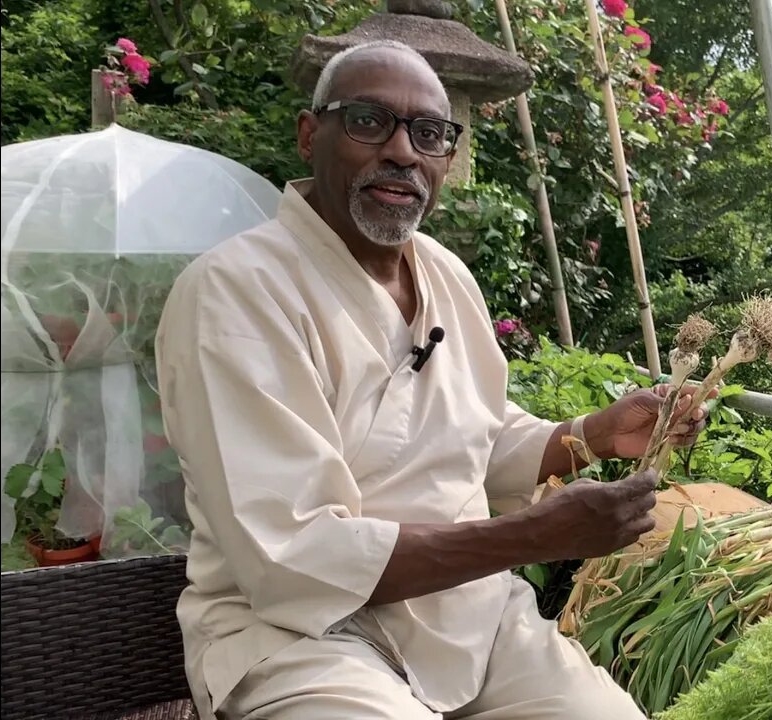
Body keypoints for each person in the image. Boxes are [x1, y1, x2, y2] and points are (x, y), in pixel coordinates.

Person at [154, 39, 709, 720]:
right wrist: (535, 537)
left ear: (447, 156)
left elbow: (474, 434)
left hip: (467, 617)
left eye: (428, 133)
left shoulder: (446, 273)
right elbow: (291, 555)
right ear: (309, 134)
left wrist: (589, 436)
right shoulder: (233, 292)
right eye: (368, 121)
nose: (402, 151)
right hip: (302, 638)